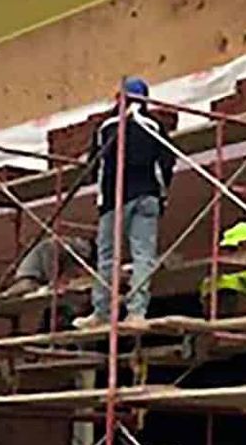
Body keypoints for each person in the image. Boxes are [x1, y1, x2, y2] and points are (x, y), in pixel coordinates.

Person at [73, 76, 176, 328]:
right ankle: (137, 313)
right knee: (143, 255)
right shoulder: (154, 125)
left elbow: (93, 166)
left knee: (108, 257)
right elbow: (167, 162)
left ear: (120, 98)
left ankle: (103, 312)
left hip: (114, 199)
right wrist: (161, 195)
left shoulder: (107, 127)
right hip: (147, 196)